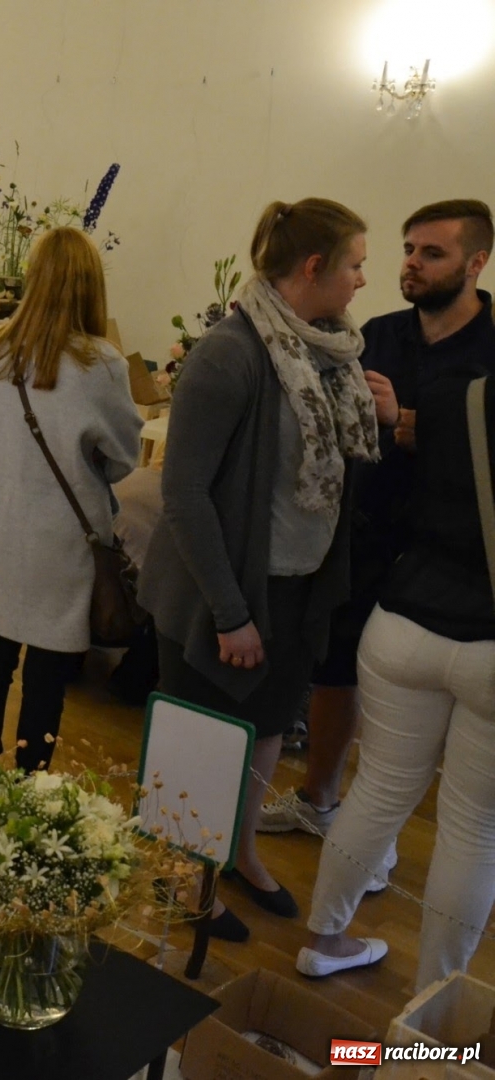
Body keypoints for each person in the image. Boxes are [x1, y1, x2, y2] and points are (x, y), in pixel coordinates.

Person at [138, 198, 390, 940]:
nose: (362, 280)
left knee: (268, 730)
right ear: (313, 268)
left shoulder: (331, 350)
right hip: (221, 592)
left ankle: (241, 854)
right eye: (354, 264)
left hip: (296, 587)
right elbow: (181, 493)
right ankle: (185, 876)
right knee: (200, 742)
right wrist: (230, 612)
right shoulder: (232, 351)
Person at [262, 201, 495, 854]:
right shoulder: (383, 333)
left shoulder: (491, 351)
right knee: (335, 671)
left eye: (433, 253)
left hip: (450, 561)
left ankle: (383, 829)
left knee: (419, 722)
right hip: (364, 532)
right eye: (409, 249)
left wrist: (406, 420)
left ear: (477, 263)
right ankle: (322, 799)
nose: (412, 264)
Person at [299, 372, 495, 986]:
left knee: (377, 791)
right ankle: (434, 1018)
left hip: (404, 618)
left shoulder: (451, 396)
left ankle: (323, 939)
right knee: (472, 830)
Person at [0, 228, 143, 789]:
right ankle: (28, 791)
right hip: (62, 537)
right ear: (91, 286)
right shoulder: (101, 364)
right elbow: (123, 457)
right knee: (46, 671)